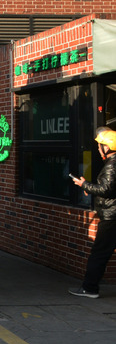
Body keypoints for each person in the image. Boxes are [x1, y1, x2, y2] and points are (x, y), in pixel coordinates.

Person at [69, 127, 116, 298]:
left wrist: (84, 185)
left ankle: (89, 288)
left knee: (100, 252)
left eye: (100, 145)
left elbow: (106, 189)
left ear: (108, 147)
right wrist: (92, 188)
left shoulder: (112, 165)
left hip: (111, 216)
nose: (97, 149)